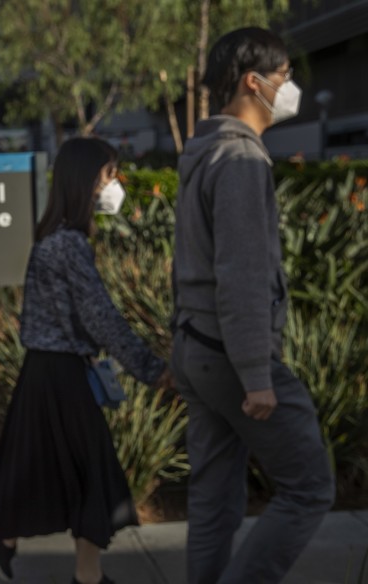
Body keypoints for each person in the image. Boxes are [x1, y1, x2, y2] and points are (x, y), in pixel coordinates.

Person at [171, 27, 334, 584]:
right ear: (254, 81)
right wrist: (255, 373)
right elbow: (239, 275)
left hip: (198, 347)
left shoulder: (203, 151)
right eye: (285, 78)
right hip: (231, 356)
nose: (289, 89)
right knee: (310, 486)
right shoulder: (239, 159)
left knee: (214, 501)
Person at [0, 137, 172, 584]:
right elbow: (101, 317)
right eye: (109, 173)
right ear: (87, 179)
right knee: (91, 471)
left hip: (51, 372)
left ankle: (44, 555)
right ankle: (81, 573)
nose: (114, 184)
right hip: (60, 374)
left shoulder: (60, 238)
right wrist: (153, 369)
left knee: (57, 469)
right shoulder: (67, 244)